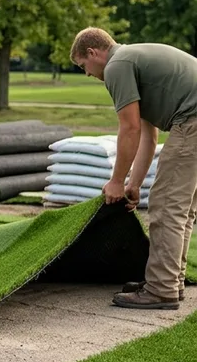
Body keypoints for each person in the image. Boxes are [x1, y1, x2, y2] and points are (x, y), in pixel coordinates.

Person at [71, 27, 197, 310]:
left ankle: (161, 289)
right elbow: (147, 136)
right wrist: (134, 183)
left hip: (192, 121)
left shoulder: (117, 66)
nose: (87, 74)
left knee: (166, 207)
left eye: (83, 66)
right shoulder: (134, 59)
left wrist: (116, 182)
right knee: (182, 209)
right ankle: (170, 282)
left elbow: (128, 128)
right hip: (191, 118)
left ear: (93, 53)